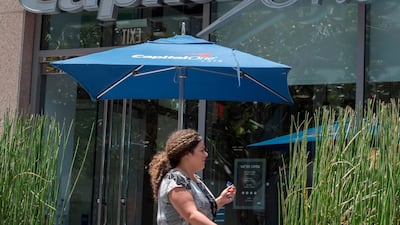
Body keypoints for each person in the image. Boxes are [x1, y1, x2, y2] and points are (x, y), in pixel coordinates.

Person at [149, 129, 236, 225]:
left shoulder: (195, 180)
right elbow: (191, 215)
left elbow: (201, 212)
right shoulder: (175, 179)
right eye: (202, 150)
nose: (206, 154)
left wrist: (221, 200)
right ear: (186, 154)